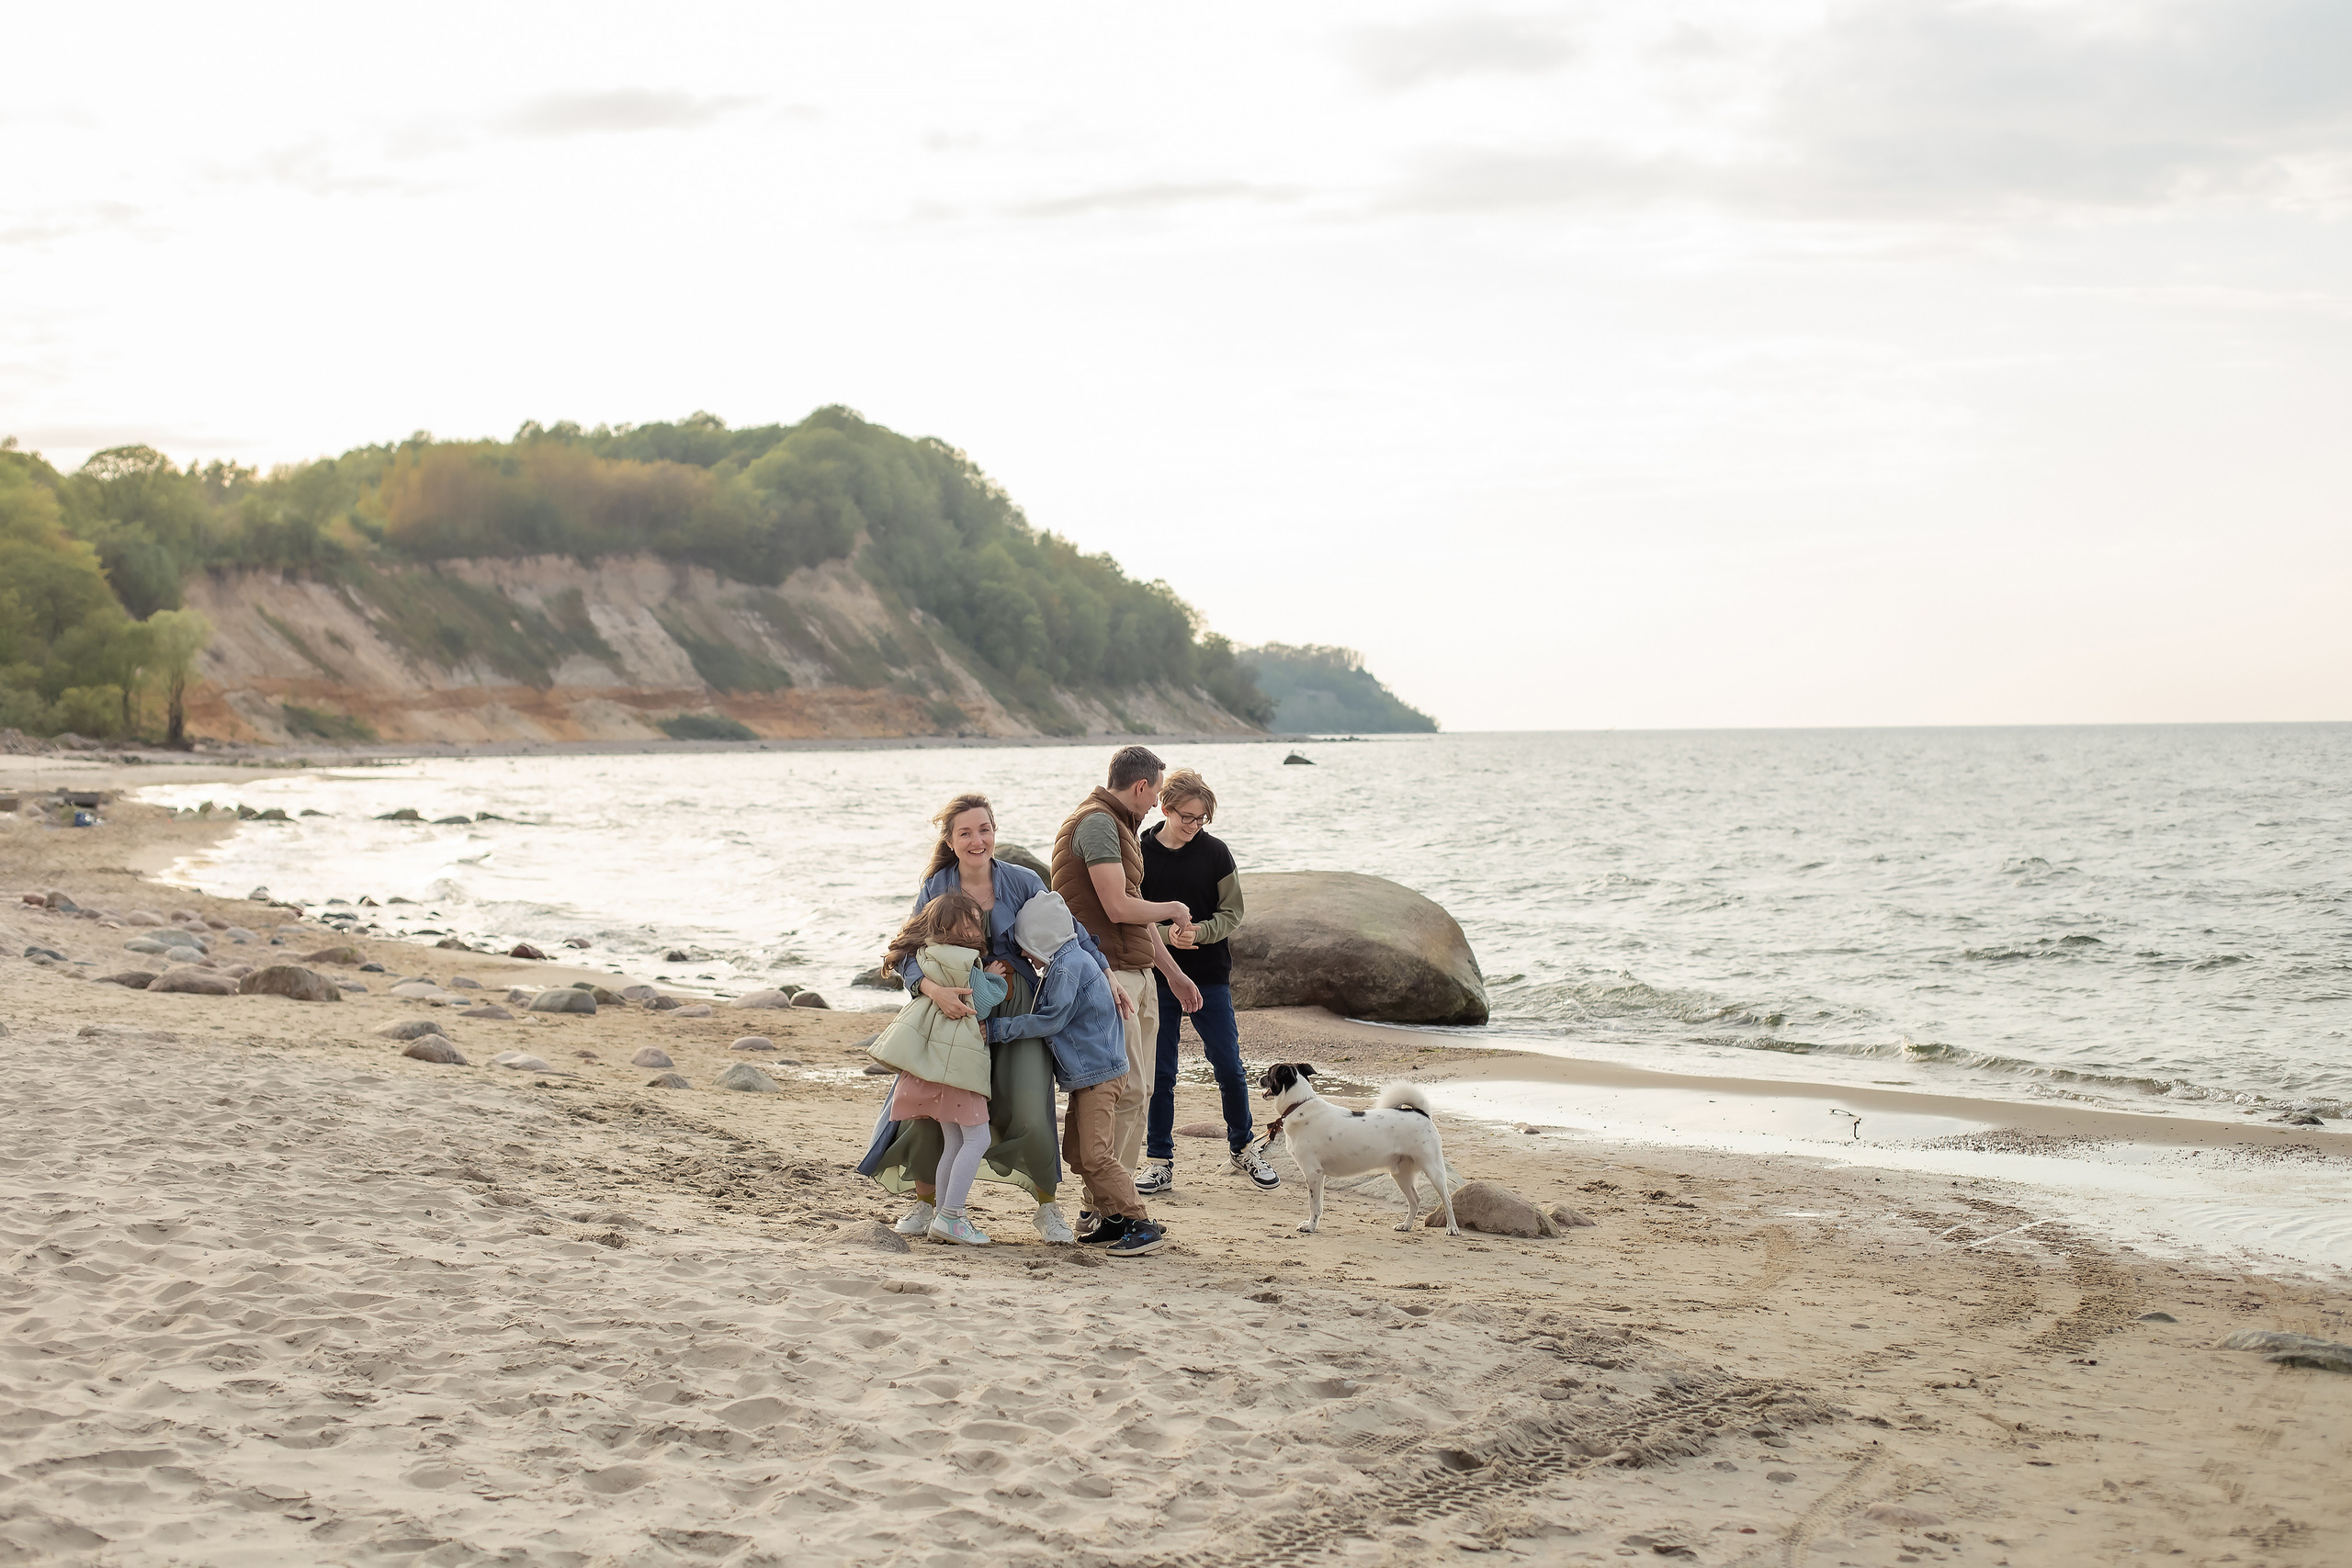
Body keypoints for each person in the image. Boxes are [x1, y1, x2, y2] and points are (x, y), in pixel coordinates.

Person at [860, 792, 1111, 1245]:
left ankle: (1046, 1208)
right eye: (966, 833)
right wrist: (933, 989)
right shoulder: (937, 886)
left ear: (995, 831)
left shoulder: (1021, 879)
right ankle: (926, 1204)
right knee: (932, 1111)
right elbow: (906, 952)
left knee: (1031, 1105)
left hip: (1016, 1005)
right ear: (951, 841)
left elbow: (1068, 928)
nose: (978, 840)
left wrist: (1106, 973)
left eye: (985, 829)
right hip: (949, 1010)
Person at [1048, 745, 1201, 1192]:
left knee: (1141, 1093)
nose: (1156, 803)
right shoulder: (1097, 823)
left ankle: (1114, 1197)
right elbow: (1117, 907)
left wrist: (1172, 973)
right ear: (1140, 786)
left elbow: (1132, 912)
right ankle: (1102, 1202)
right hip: (1108, 977)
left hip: (1138, 975)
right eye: (1155, 793)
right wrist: (1173, 906)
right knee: (1123, 1093)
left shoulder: (1117, 826)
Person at [988, 892, 1167, 1258]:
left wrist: (996, 1029)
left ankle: (1140, 1222)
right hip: (1086, 1078)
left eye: (1027, 946)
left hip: (1099, 1077)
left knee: (1097, 1155)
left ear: (1043, 939)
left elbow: (1051, 1018)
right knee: (1077, 1154)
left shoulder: (1069, 966)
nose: (1024, 955)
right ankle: (1113, 1217)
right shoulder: (1068, 962)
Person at [1136, 768, 1277, 1195]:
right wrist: (1166, 936)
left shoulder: (1216, 853)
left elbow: (1233, 912)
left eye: (1202, 819)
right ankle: (1159, 1160)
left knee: (1230, 1067)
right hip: (1158, 974)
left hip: (1210, 974)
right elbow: (1129, 910)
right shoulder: (1140, 851)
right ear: (1165, 807)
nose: (1195, 826)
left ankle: (1243, 1147)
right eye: (1188, 817)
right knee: (1160, 1074)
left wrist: (1200, 932)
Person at [863, 893, 1005, 1245]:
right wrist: (993, 978)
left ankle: (942, 1216)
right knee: (977, 1138)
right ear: (955, 927)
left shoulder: (924, 954)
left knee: (953, 1141)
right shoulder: (967, 960)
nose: (977, 926)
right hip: (959, 1065)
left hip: (933, 1068)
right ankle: (953, 1216)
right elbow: (982, 1005)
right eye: (971, 919)